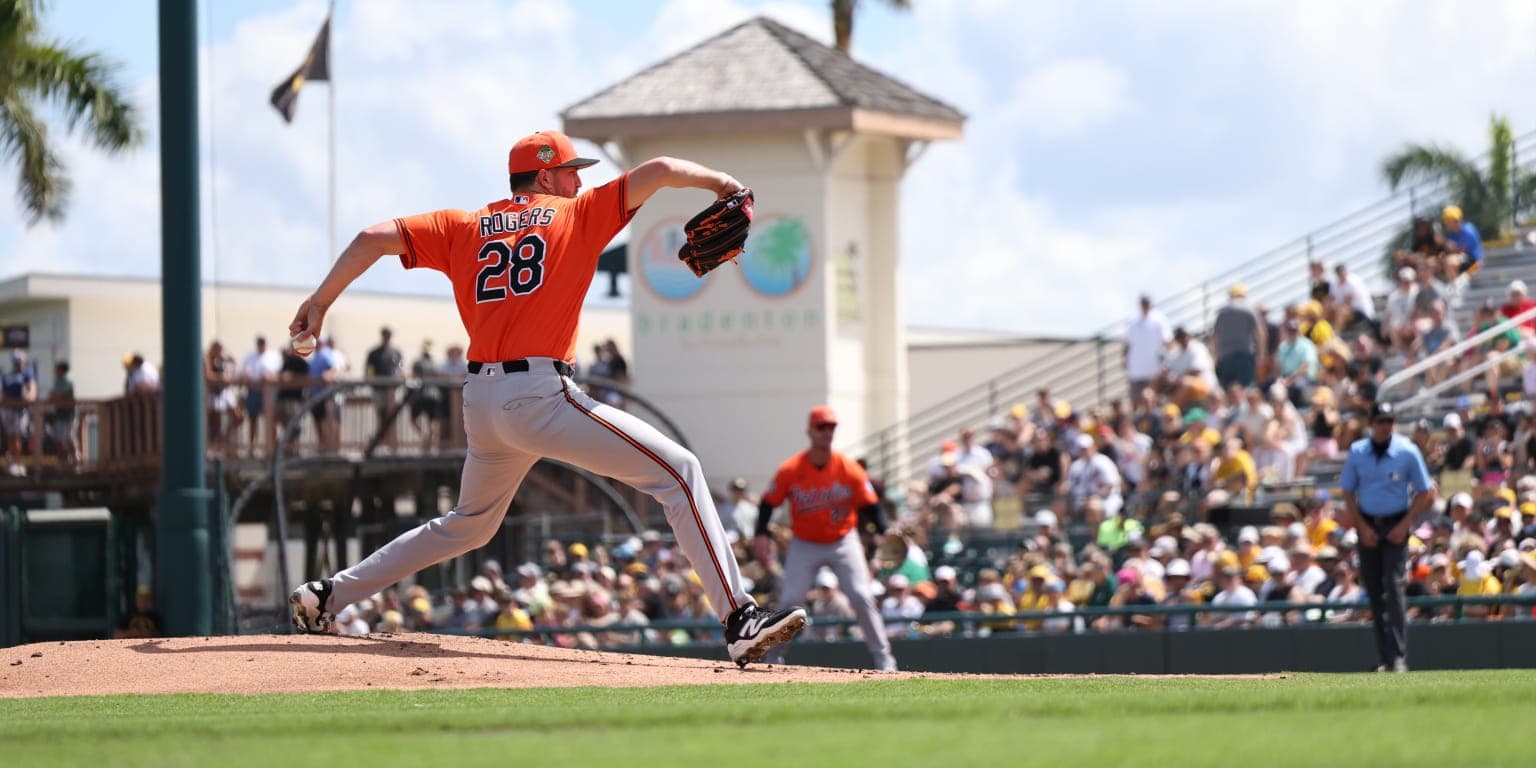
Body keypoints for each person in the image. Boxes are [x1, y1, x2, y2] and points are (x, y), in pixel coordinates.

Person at [286, 129, 804, 667]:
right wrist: (723, 183)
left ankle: (328, 594)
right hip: (538, 395)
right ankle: (740, 618)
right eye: (571, 171)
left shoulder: (463, 225)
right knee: (679, 472)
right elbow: (660, 168)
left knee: (469, 524)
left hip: (481, 402)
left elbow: (373, 236)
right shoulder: (575, 215)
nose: (579, 181)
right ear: (545, 176)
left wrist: (320, 302)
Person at [753, 405, 894, 671]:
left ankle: (884, 659)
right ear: (810, 431)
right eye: (821, 426)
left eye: (831, 427)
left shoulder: (848, 467)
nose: (827, 432)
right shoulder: (792, 469)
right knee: (790, 600)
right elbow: (768, 502)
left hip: (842, 540)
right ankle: (773, 657)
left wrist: (885, 531)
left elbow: (872, 506)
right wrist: (760, 533)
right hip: (805, 543)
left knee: (861, 595)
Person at [1338, 401, 1435, 673]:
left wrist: (1405, 525)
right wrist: (1361, 527)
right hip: (1368, 523)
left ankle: (1398, 657)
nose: (1385, 426)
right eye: (1380, 421)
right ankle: (1385, 657)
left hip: (1396, 523)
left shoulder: (1407, 450)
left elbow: (1425, 490)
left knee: (1394, 587)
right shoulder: (1358, 451)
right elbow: (1347, 491)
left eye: (1389, 421)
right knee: (1374, 591)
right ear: (1371, 424)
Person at [1211, 284, 1265, 389]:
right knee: (1245, 389)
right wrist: (1261, 355)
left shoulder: (1221, 313)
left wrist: (1216, 358)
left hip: (1225, 358)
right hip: (1244, 357)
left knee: (1229, 392)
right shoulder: (1249, 309)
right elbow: (1259, 333)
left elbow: (1214, 338)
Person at [238, 335, 283, 455]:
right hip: (253, 391)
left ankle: (272, 448)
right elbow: (243, 373)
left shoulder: (274, 356)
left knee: (271, 420)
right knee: (253, 419)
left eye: (263, 343)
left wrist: (269, 377)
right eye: (259, 343)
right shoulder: (250, 357)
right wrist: (246, 377)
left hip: (268, 392)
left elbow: (278, 374)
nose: (261, 345)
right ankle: (252, 447)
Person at [1125, 294, 1170, 402]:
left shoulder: (1159, 319)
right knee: (1135, 400)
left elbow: (1167, 341)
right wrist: (1124, 361)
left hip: (1153, 370)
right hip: (1135, 370)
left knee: (1152, 400)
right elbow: (1127, 344)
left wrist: (1165, 363)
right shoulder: (1133, 321)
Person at [365, 326, 405, 449]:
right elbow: (368, 371)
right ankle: (382, 442)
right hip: (379, 389)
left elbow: (402, 369)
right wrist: (371, 382)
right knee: (380, 414)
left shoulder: (396, 352)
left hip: (393, 389)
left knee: (392, 415)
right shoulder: (374, 353)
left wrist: (400, 379)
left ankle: (392, 442)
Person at [2, 350, 37, 470]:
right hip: (8, 410)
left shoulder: (28, 374)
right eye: (16, 362)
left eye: (20, 362)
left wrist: (28, 397)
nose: (19, 364)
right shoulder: (7, 376)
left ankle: (17, 462)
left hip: (21, 411)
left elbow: (32, 391)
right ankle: (12, 462)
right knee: (11, 436)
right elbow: (4, 393)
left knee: (17, 436)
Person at [44, 360, 77, 465]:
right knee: (59, 439)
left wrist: (54, 396)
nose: (55, 372)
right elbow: (51, 396)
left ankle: (76, 459)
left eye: (57, 369)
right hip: (59, 415)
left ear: (62, 370)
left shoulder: (68, 381)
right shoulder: (57, 382)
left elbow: (57, 395)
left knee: (69, 438)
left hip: (68, 415)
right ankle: (63, 462)